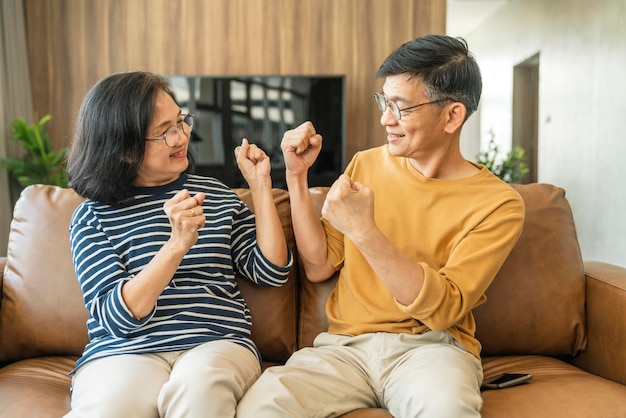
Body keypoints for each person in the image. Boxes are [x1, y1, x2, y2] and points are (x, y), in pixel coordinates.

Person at [237, 34, 525, 417]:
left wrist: (365, 232)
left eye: (400, 107)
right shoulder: (367, 164)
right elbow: (320, 265)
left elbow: (442, 311)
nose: (385, 119)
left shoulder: (498, 204)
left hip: (432, 350)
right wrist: (296, 177)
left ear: (453, 115)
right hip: (343, 351)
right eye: (384, 101)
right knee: (260, 407)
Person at [64, 71, 293, 418]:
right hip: (125, 351)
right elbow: (115, 319)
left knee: (200, 394)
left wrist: (261, 186)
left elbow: (271, 271)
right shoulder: (92, 217)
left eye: (181, 121)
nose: (182, 135)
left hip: (215, 342)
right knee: (110, 408)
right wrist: (175, 246)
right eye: (165, 131)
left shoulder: (213, 194)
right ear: (125, 151)